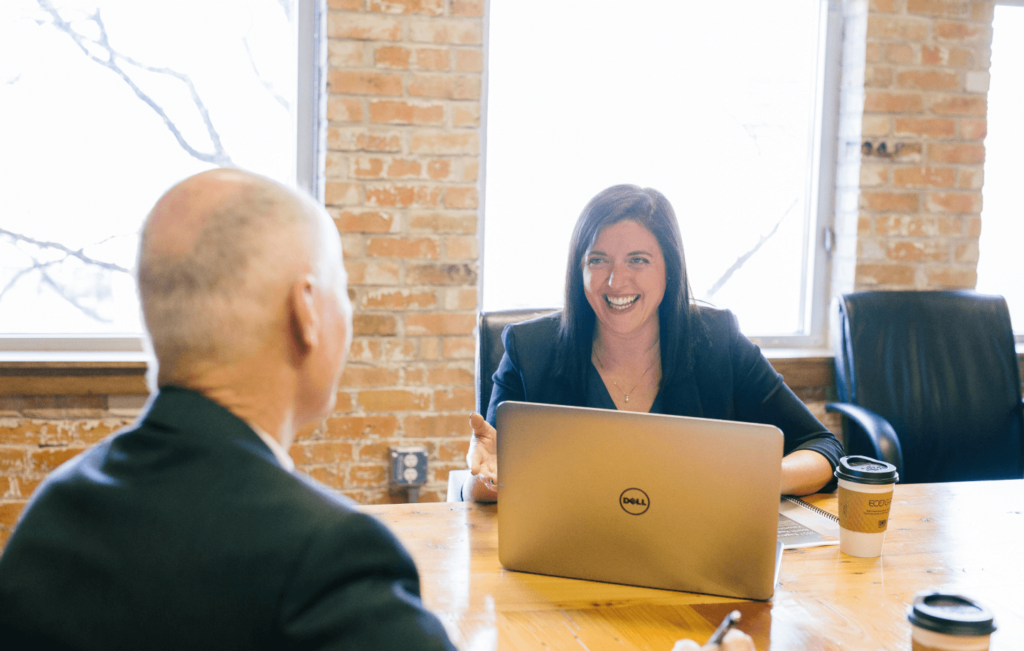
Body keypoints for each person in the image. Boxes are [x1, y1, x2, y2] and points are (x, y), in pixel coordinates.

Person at [0, 169, 455, 650]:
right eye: (342, 289)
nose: (349, 311)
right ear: (306, 312)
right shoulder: (327, 556)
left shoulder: (54, 510)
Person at [465, 184, 843, 502]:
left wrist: (755, 481)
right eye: (598, 261)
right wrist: (488, 477)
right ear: (578, 270)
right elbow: (481, 485)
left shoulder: (718, 342)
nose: (616, 281)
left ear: (670, 268)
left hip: (696, 559)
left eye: (638, 260)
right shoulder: (530, 350)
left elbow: (823, 447)